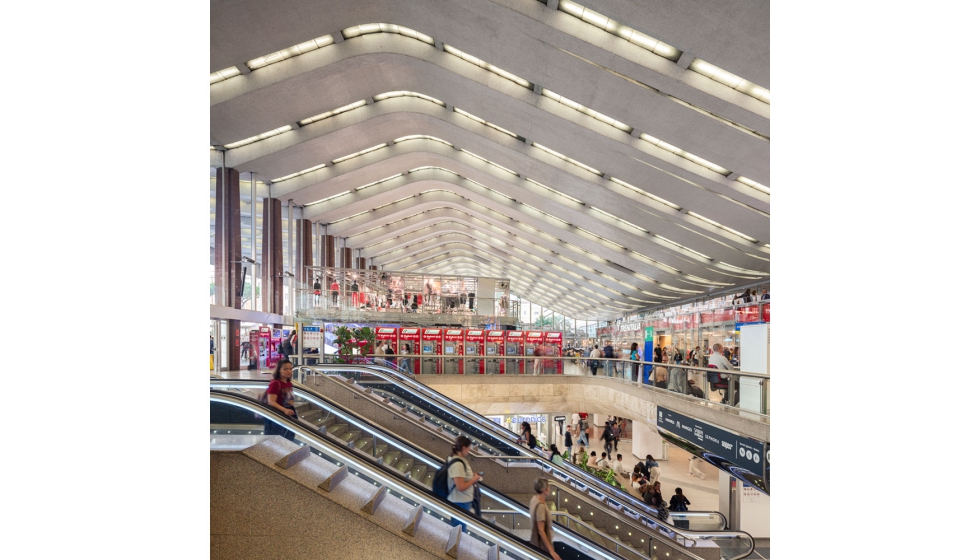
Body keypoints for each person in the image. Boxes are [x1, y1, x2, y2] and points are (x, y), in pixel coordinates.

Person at [447, 435, 482, 532]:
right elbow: (461, 487)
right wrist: (474, 479)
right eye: (468, 447)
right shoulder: (457, 463)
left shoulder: (459, 459)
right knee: (459, 531)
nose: (469, 450)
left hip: (462, 500)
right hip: (460, 502)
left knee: (459, 529)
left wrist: (472, 476)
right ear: (463, 448)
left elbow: (461, 477)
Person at [263, 359, 297, 441]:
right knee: (277, 441)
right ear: (279, 370)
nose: (289, 371)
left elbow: (289, 399)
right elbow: (271, 401)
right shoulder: (275, 383)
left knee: (288, 439)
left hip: (287, 415)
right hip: (277, 417)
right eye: (285, 369)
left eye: (290, 368)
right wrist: (285, 410)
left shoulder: (289, 383)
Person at [529, 478, 561, 560]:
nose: (550, 489)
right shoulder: (541, 506)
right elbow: (541, 530)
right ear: (544, 490)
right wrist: (551, 551)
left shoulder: (534, 499)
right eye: (549, 487)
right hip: (542, 547)